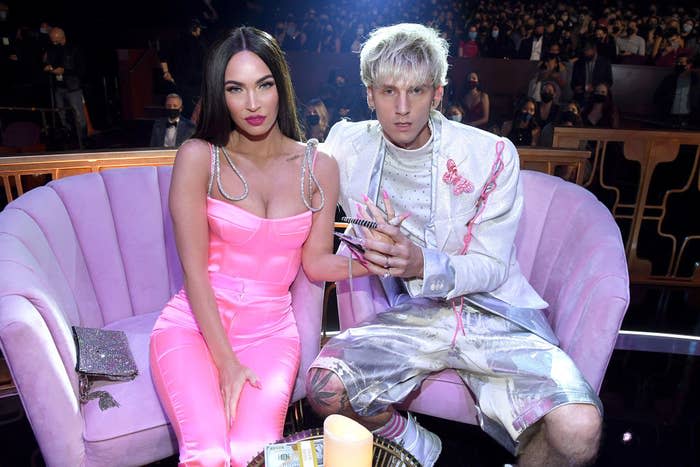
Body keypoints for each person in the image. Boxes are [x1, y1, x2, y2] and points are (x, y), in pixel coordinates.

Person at [306, 23, 602, 467]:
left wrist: (422, 263)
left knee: (580, 430)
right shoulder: (347, 144)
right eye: (388, 91)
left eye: (417, 91)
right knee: (325, 389)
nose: (402, 108)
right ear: (369, 95)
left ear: (438, 94)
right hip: (416, 314)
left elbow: (491, 266)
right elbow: (297, 168)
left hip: (493, 309)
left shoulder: (491, 154)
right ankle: (411, 441)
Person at [149, 26, 366, 466]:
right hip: (193, 327)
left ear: (280, 88)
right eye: (236, 89)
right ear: (220, 95)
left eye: (263, 85)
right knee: (208, 452)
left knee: (253, 454)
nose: (252, 104)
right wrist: (226, 364)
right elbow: (193, 274)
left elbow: (317, 263)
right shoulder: (198, 157)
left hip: (270, 335)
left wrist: (375, 262)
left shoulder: (318, 166)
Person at [43, 27, 86, 138]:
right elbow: (46, 62)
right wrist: (47, 67)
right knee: (61, 112)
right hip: (58, 86)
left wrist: (64, 71)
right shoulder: (52, 49)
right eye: (51, 38)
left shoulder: (74, 49)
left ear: (61, 36)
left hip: (72, 86)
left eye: (54, 38)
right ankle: (68, 134)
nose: (52, 40)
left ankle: (83, 137)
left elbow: (81, 69)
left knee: (78, 113)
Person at [159, 19, 207, 118]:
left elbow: (162, 56)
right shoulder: (199, 44)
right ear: (194, 29)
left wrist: (166, 73)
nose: (200, 31)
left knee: (179, 111)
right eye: (199, 29)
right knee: (193, 113)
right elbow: (206, 61)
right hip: (194, 84)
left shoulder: (175, 41)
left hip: (178, 82)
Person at [653, 53, 699, 127]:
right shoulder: (669, 78)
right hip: (670, 117)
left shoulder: (696, 80)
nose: (678, 64)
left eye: (681, 63)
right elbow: (657, 96)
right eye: (677, 62)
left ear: (689, 65)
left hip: (690, 118)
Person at [571, 40, 613, 106]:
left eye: (587, 51)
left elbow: (609, 81)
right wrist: (576, 88)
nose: (585, 53)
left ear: (594, 49)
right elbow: (573, 82)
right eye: (584, 51)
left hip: (598, 96)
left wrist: (597, 88)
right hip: (581, 96)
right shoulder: (578, 63)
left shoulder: (605, 62)